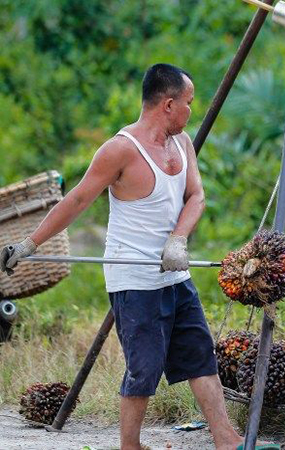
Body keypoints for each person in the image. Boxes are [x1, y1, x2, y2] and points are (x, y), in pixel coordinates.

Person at [0, 63, 244, 450]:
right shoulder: (119, 150)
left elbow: (196, 196)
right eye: (188, 103)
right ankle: (129, 446)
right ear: (167, 104)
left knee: (200, 355)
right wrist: (30, 244)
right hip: (134, 280)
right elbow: (78, 199)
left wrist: (177, 240)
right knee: (143, 369)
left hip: (174, 274)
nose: (190, 111)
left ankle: (226, 438)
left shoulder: (181, 144)